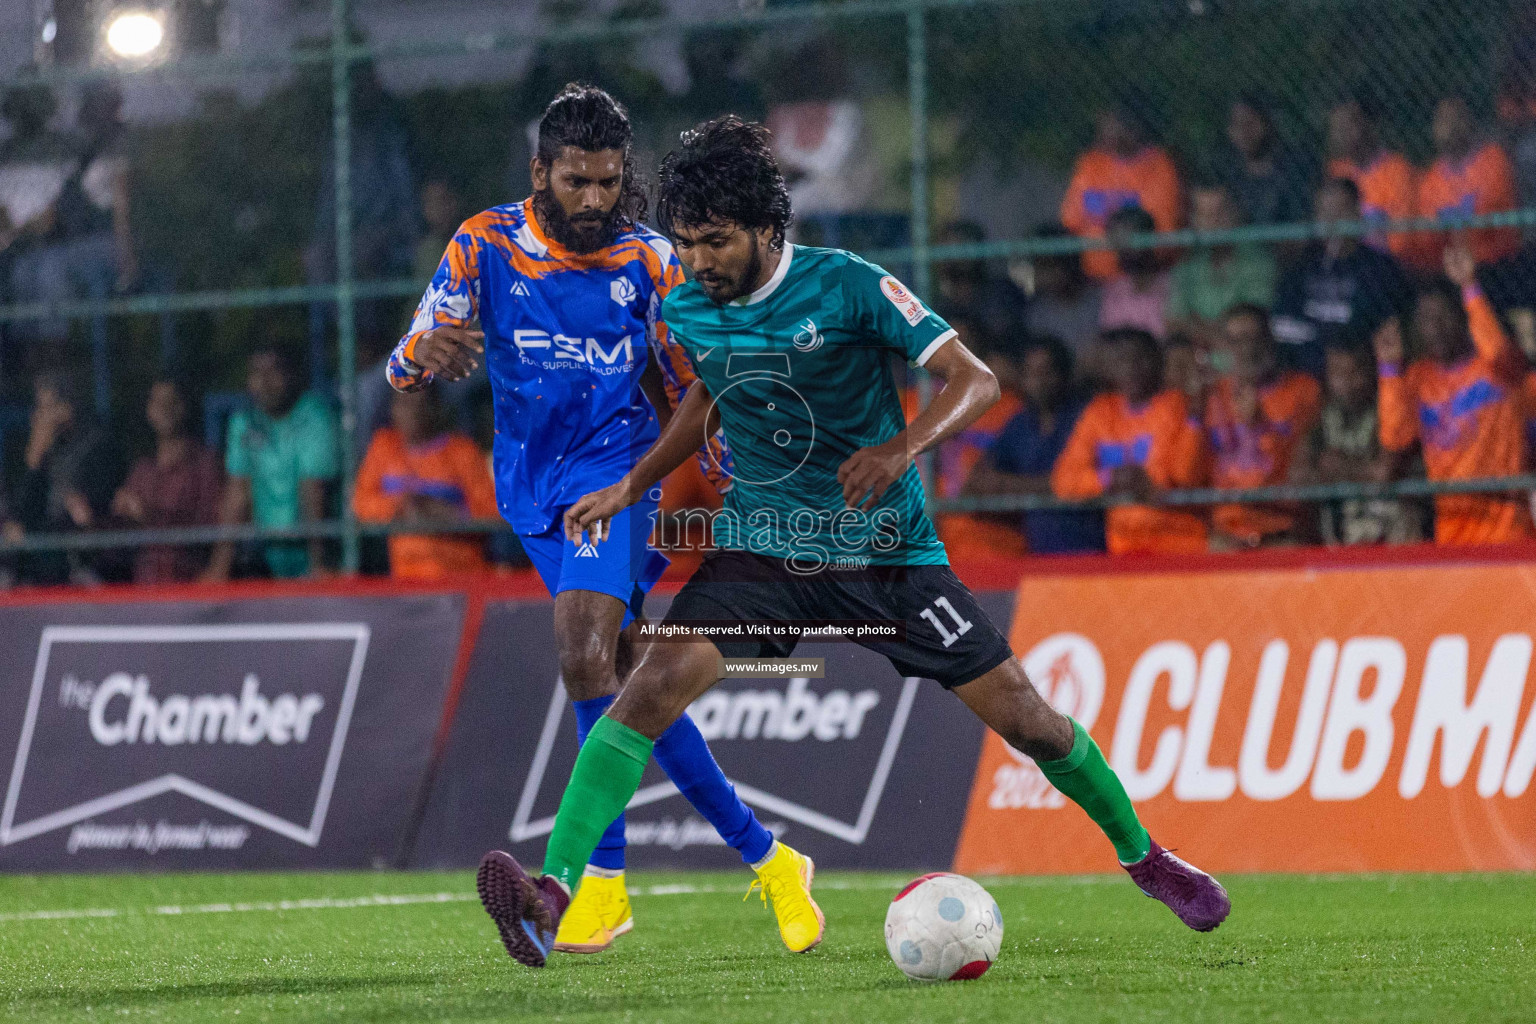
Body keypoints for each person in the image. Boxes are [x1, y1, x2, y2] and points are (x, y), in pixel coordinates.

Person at [474, 117, 1230, 971]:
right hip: (764, 550)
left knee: (1032, 723)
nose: (697, 264)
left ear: (766, 229)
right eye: (685, 244)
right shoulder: (689, 304)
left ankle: (1145, 855)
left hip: (887, 558)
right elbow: (705, 399)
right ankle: (556, 895)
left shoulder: (850, 287)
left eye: (715, 243)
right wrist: (630, 483)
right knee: (641, 692)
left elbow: (973, 380)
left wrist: (901, 447)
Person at [387, 86, 787, 957]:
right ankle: (766, 855)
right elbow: (403, 365)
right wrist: (427, 354)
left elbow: (689, 386)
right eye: (578, 182)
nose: (598, 200)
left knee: (581, 649)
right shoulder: (483, 242)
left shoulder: (651, 260)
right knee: (628, 676)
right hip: (530, 492)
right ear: (542, 174)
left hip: (618, 478)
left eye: (610, 182)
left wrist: (733, 484)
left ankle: (590, 888)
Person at [1375, 244, 1533, 544]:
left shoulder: (1494, 368)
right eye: (1425, 320)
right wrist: (1390, 371)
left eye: (1443, 316)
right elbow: (1395, 437)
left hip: (1507, 529)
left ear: (1462, 318)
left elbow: (1499, 352)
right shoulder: (1419, 377)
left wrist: (1470, 288)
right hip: (1450, 532)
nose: (1434, 329)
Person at [1053, 328, 1209, 555]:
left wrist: (1142, 480)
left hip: (1179, 543)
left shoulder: (1175, 405)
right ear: (1111, 367)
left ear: (1157, 362)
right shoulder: (1100, 412)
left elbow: (1179, 476)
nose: (1132, 367)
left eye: (1141, 358)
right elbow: (1064, 481)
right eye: (1123, 359)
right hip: (1123, 548)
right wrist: (1109, 478)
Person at [204, 346, 339, 581]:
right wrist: (218, 569)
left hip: (315, 558)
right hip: (266, 559)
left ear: (292, 374)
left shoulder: (314, 416)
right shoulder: (244, 421)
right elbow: (237, 493)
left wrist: (318, 566)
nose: (264, 383)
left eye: (274, 372)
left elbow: (314, 491)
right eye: (256, 373)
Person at [965, 335, 1105, 554]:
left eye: (1046, 372)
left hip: (1088, 545)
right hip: (1038, 550)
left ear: (1065, 375)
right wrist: (1040, 486)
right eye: (1031, 373)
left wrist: (1011, 485)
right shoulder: (1020, 423)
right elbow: (977, 481)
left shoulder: (1088, 415)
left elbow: (1077, 482)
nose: (1038, 381)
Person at [1202, 305, 1323, 550]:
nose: (1247, 348)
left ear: (1269, 339)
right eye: (1236, 340)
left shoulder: (1303, 390)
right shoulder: (1212, 395)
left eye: (1253, 337)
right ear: (1225, 346)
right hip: (1227, 533)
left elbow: (1299, 464)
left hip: (1284, 529)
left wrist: (1259, 427)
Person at [1271, 178, 1413, 379]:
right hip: (1304, 375)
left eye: (1341, 211)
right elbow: (1282, 326)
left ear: (1357, 213)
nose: (1332, 221)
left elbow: (1385, 329)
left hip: (1361, 376)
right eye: (1325, 213)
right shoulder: (1301, 267)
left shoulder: (1381, 268)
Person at [1290, 339, 1426, 546]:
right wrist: (1361, 471)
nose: (1347, 381)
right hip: (1339, 536)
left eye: (1355, 372)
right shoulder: (1320, 421)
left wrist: (1338, 468)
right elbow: (1298, 479)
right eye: (1338, 373)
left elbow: (1384, 473)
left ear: (1371, 371)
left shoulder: (1389, 411)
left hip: (1392, 533)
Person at [354, 388, 499, 579]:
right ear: (393, 409)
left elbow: (494, 512)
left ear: (436, 408)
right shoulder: (384, 446)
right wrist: (402, 504)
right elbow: (361, 504)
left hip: (462, 577)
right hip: (405, 581)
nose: (413, 412)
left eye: (421, 405)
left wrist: (452, 514)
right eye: (405, 404)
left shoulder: (462, 451)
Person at [1, 370, 119, 586]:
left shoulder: (92, 449)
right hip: (32, 563)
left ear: (67, 410)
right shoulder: (31, 455)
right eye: (38, 408)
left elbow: (80, 515)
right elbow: (18, 518)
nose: (38, 417)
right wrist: (35, 462)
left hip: (77, 564)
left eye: (46, 408)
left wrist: (37, 461)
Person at [111, 377, 222, 583]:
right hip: (144, 591)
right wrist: (93, 518)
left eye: (172, 401)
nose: (164, 409)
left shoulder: (205, 465)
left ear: (186, 407)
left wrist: (149, 515)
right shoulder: (142, 470)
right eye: (156, 402)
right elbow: (117, 540)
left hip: (190, 587)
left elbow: (210, 530)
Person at [1060, 104, 1182, 280]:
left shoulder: (1160, 166)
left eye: (1112, 123)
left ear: (1133, 128)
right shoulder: (1091, 163)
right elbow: (1070, 221)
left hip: (1142, 278)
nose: (1104, 130)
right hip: (1092, 278)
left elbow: (1162, 232)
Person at [1166, 181, 1277, 352]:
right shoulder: (1187, 262)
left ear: (1236, 212)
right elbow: (1176, 321)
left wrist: (1199, 328)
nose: (1213, 223)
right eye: (1204, 215)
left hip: (1242, 357)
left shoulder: (1258, 261)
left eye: (1220, 213)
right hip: (1199, 358)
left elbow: (1250, 323)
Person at [1414, 96, 1519, 269]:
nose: (1450, 126)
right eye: (1443, 119)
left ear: (1469, 121)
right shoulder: (1430, 179)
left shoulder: (1493, 158)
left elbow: (1489, 215)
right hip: (1451, 268)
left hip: (1496, 264)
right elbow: (1428, 235)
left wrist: (1449, 221)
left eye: (1457, 117)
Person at [1325, 97, 1417, 260]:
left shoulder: (1396, 169)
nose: (1341, 134)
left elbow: (1401, 239)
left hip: (1385, 264)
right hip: (1345, 262)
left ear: (1368, 124)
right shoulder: (1336, 171)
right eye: (1336, 128)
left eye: (1347, 126)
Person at [1211, 94, 1311, 227]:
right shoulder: (1228, 174)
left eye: (1250, 123)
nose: (1244, 132)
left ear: (1267, 124)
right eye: (1237, 125)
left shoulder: (1295, 168)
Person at [931, 220, 1028, 343]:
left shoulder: (1001, 293)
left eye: (957, 248)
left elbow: (1006, 338)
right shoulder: (940, 303)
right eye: (943, 249)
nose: (948, 258)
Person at [1024, 222, 1103, 369]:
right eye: (1039, 266)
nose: (1043, 275)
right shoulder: (1037, 312)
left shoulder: (1100, 299)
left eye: (1050, 265)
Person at [1098, 206, 1170, 340]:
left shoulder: (1172, 284)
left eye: (1129, 239)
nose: (1124, 249)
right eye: (1118, 242)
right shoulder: (1113, 290)